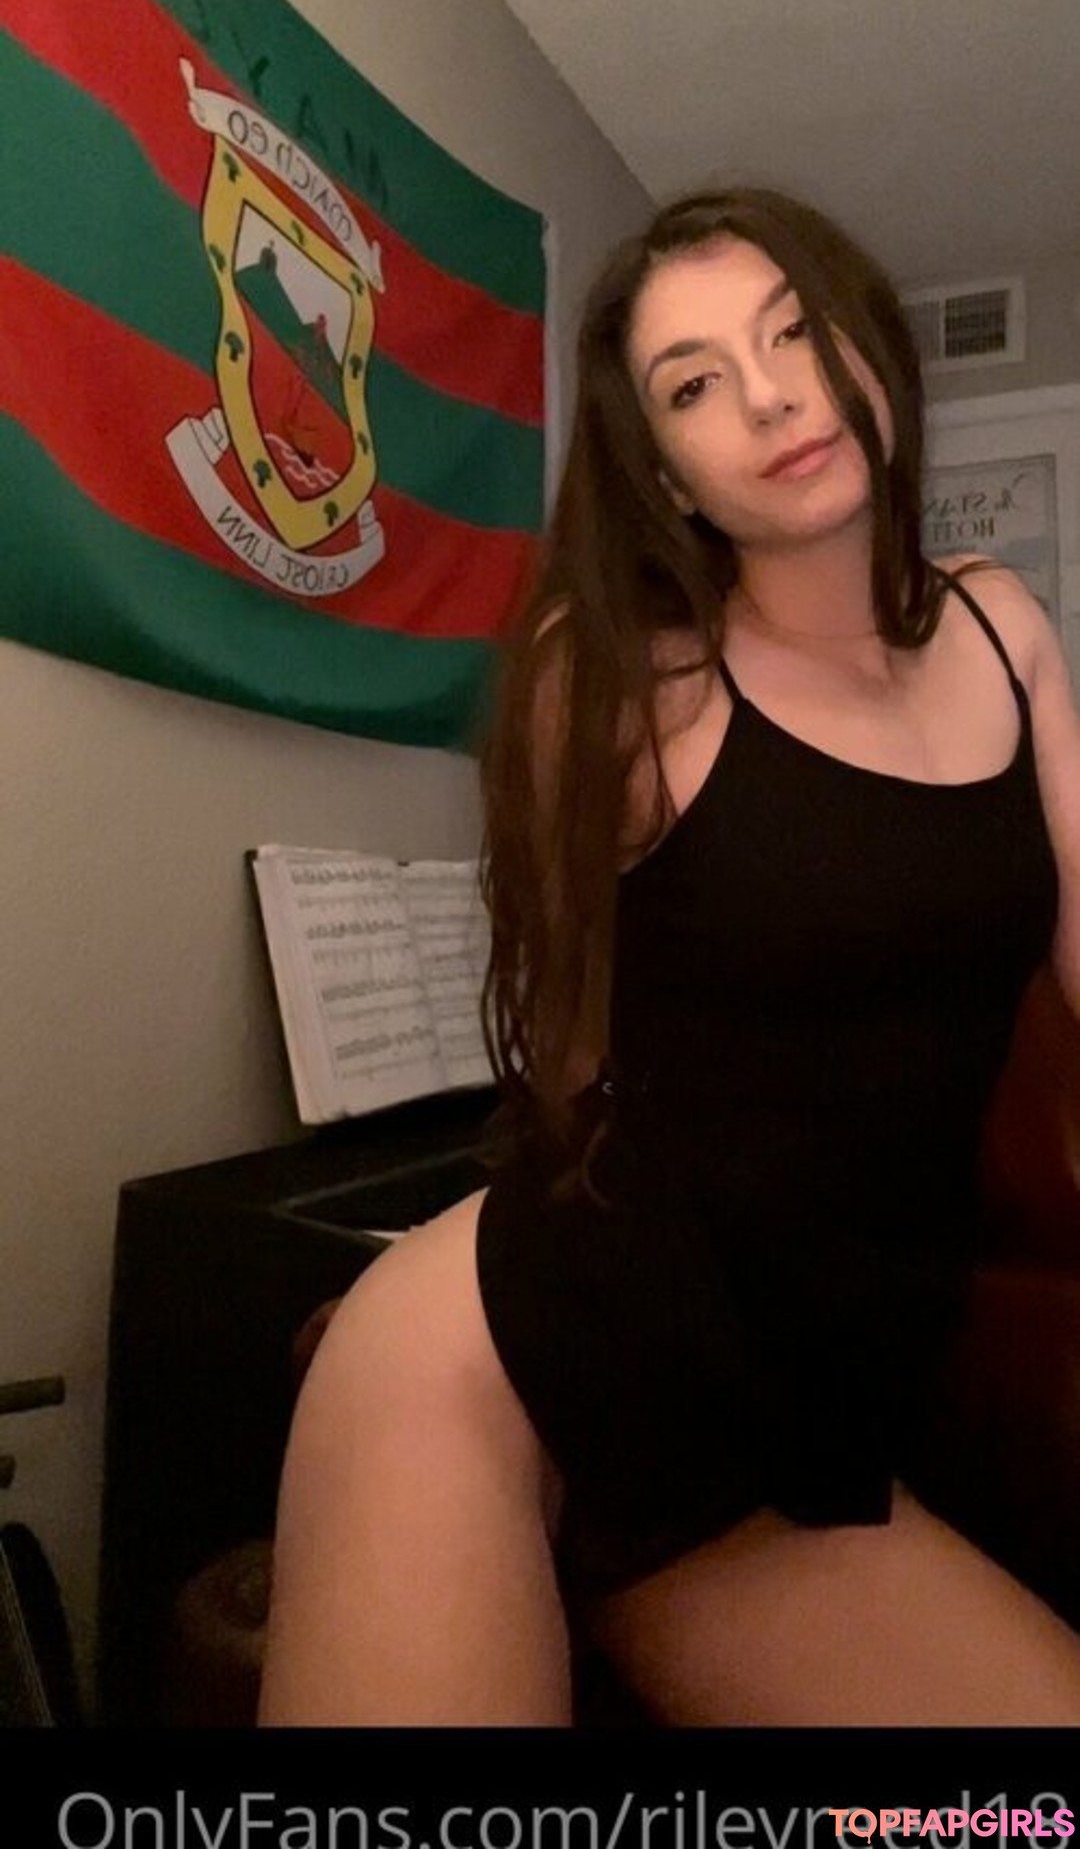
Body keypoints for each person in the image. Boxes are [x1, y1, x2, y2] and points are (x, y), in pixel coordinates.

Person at [258, 186, 1080, 1727]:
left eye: (794, 332)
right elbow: (576, 1055)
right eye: (695, 383)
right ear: (660, 464)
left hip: (826, 1397)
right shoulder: (627, 684)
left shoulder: (1005, 627)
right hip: (524, 1350)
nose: (768, 395)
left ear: (869, 345)